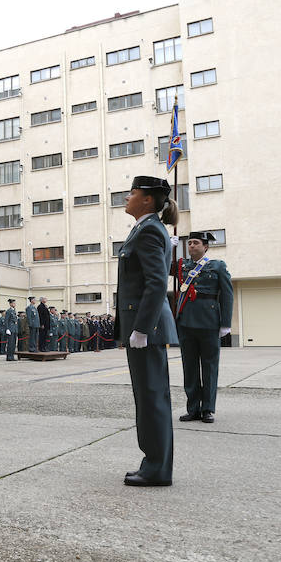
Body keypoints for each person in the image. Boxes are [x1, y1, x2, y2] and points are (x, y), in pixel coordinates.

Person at [114, 176, 179, 486]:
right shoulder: (144, 228)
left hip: (146, 329)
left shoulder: (150, 230)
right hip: (144, 327)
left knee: (152, 397)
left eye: (133, 193)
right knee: (149, 397)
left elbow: (156, 282)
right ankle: (153, 462)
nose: (127, 198)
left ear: (148, 200)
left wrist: (142, 328)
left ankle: (156, 468)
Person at [173, 231, 234, 424]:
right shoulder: (182, 266)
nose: (191, 245)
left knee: (209, 367)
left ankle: (208, 409)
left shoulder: (217, 266)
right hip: (186, 322)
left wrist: (225, 323)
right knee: (189, 368)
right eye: (189, 242)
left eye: (195, 242)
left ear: (205, 246)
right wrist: (167, 247)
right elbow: (160, 266)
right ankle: (193, 409)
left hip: (209, 322)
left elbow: (227, 294)